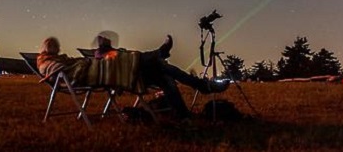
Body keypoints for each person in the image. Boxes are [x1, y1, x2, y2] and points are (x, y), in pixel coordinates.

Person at [37, 36, 228, 120]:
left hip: (124, 71)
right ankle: (200, 86)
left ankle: (185, 112)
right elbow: (64, 71)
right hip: (102, 73)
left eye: (56, 47)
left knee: (164, 72)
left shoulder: (63, 58)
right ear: (48, 49)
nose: (57, 50)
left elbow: (76, 63)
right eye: (53, 47)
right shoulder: (46, 62)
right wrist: (83, 63)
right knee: (161, 68)